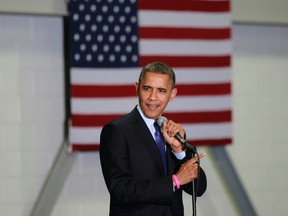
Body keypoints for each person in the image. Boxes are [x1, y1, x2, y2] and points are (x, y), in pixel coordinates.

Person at [100, 62, 207, 216]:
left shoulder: (172, 133)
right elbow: (120, 190)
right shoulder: (117, 130)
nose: (153, 97)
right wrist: (174, 181)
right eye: (147, 88)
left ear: (172, 95)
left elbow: (199, 188)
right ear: (137, 88)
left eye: (161, 91)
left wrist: (180, 152)